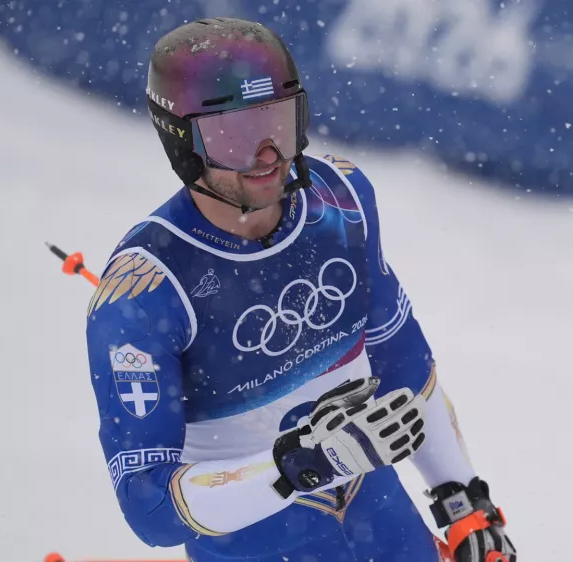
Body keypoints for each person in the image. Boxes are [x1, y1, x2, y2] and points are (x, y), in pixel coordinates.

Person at [84, 16, 517, 562]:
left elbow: (402, 362)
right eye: (236, 136)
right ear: (183, 143)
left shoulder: (343, 200)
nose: (268, 154)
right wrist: (299, 467)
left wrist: (463, 499)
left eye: (279, 124)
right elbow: (149, 508)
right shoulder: (145, 291)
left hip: (381, 526)